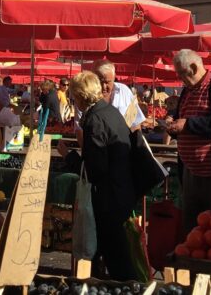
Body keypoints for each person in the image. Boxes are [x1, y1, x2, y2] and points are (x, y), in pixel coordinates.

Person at [57, 71, 138, 281]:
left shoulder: (94, 120)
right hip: (122, 190)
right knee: (112, 253)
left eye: (74, 96)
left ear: (81, 96)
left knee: (117, 259)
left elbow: (95, 170)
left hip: (109, 197)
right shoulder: (110, 112)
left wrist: (69, 156)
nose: (73, 100)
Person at [167, 49, 211, 235]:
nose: (181, 78)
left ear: (194, 67)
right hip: (191, 172)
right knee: (192, 229)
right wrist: (173, 124)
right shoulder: (187, 90)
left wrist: (188, 124)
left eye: (182, 73)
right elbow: (181, 117)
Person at [87, 61, 145, 130]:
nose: (103, 86)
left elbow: (135, 123)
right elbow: (80, 129)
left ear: (114, 77)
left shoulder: (125, 91)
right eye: (100, 82)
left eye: (107, 82)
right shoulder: (86, 95)